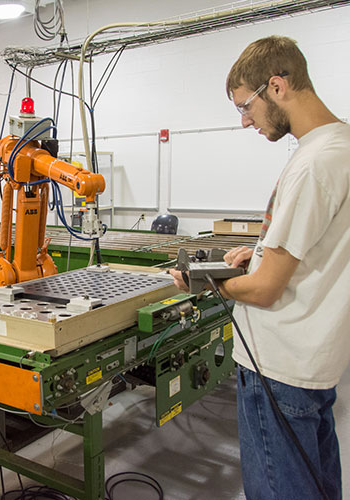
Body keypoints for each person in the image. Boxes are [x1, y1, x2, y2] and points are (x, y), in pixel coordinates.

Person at [169, 36, 350, 500]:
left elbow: (267, 290)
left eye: (246, 107)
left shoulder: (313, 164)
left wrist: (205, 284)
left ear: (277, 86)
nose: (246, 120)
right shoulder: (341, 147)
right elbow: (324, 246)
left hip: (279, 366)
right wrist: (263, 250)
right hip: (315, 361)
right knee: (320, 485)